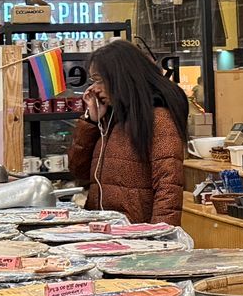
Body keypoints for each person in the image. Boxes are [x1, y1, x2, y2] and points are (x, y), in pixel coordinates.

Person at [70, 40, 189, 225]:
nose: (94, 88)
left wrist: (160, 238)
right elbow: (79, 171)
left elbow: (168, 186)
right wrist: (90, 122)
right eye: (93, 81)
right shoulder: (108, 118)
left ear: (122, 77)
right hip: (102, 232)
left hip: (137, 236)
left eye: (100, 80)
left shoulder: (158, 118)